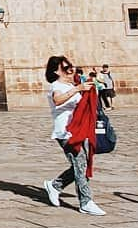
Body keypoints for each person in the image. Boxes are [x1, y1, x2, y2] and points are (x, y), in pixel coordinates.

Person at [43, 54, 105, 216]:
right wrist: (77, 89)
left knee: (80, 165)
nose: (70, 70)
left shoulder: (75, 84)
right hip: (65, 131)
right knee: (80, 164)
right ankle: (85, 202)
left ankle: (55, 185)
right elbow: (58, 100)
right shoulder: (56, 86)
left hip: (80, 130)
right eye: (66, 68)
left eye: (71, 66)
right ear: (56, 72)